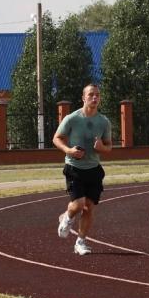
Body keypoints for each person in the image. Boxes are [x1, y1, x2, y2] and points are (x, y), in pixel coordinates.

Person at [52, 83, 112, 255]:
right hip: (74, 167)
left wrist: (101, 147)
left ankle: (80, 242)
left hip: (93, 169)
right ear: (83, 98)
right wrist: (69, 150)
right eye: (91, 94)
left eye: (98, 95)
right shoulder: (72, 118)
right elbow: (56, 138)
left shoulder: (104, 122)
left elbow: (109, 147)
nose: (95, 98)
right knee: (78, 204)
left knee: (89, 207)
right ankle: (67, 217)